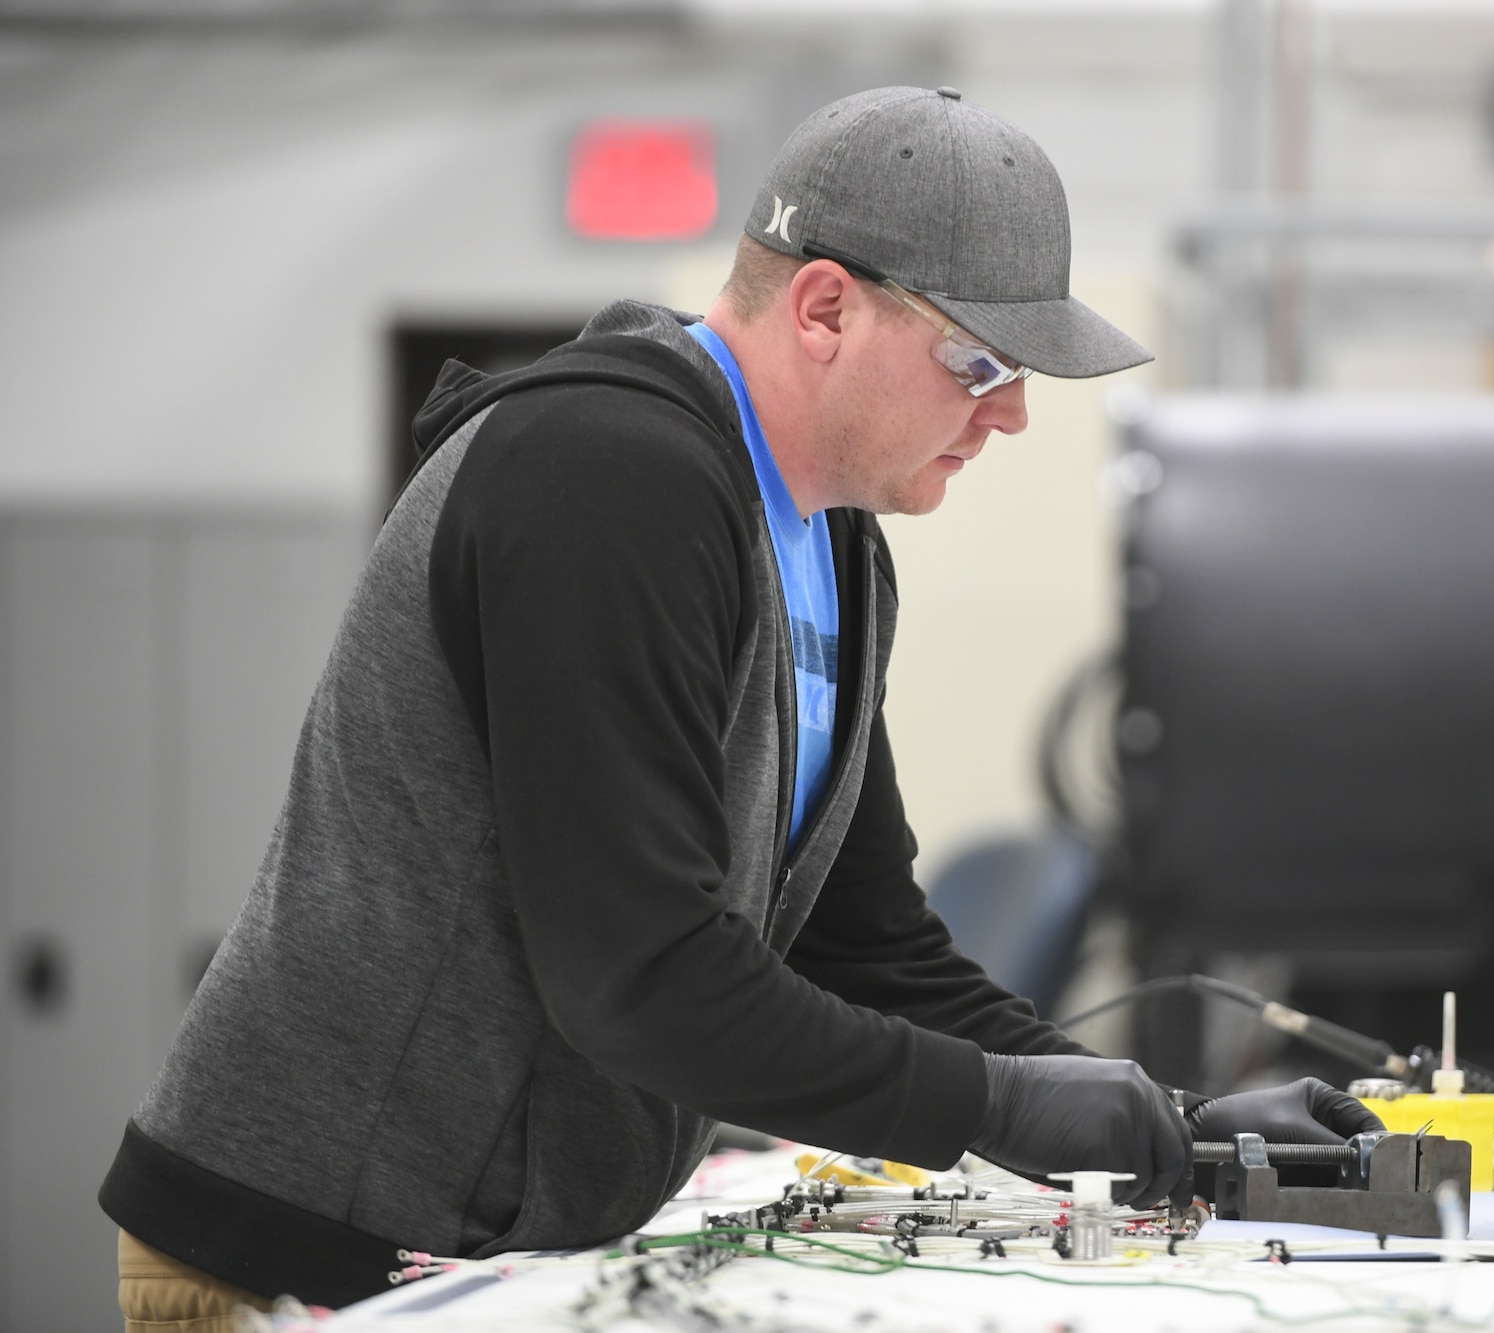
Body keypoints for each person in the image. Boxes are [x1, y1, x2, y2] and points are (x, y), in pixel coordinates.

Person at [99, 86, 1381, 1330]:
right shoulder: (607, 477)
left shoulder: (827, 545)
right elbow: (640, 975)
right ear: (823, 308)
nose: (1013, 415)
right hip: (301, 1248)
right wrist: (993, 1108)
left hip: (493, 1248)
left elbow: (864, 943)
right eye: (979, 362)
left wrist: (1169, 1121)